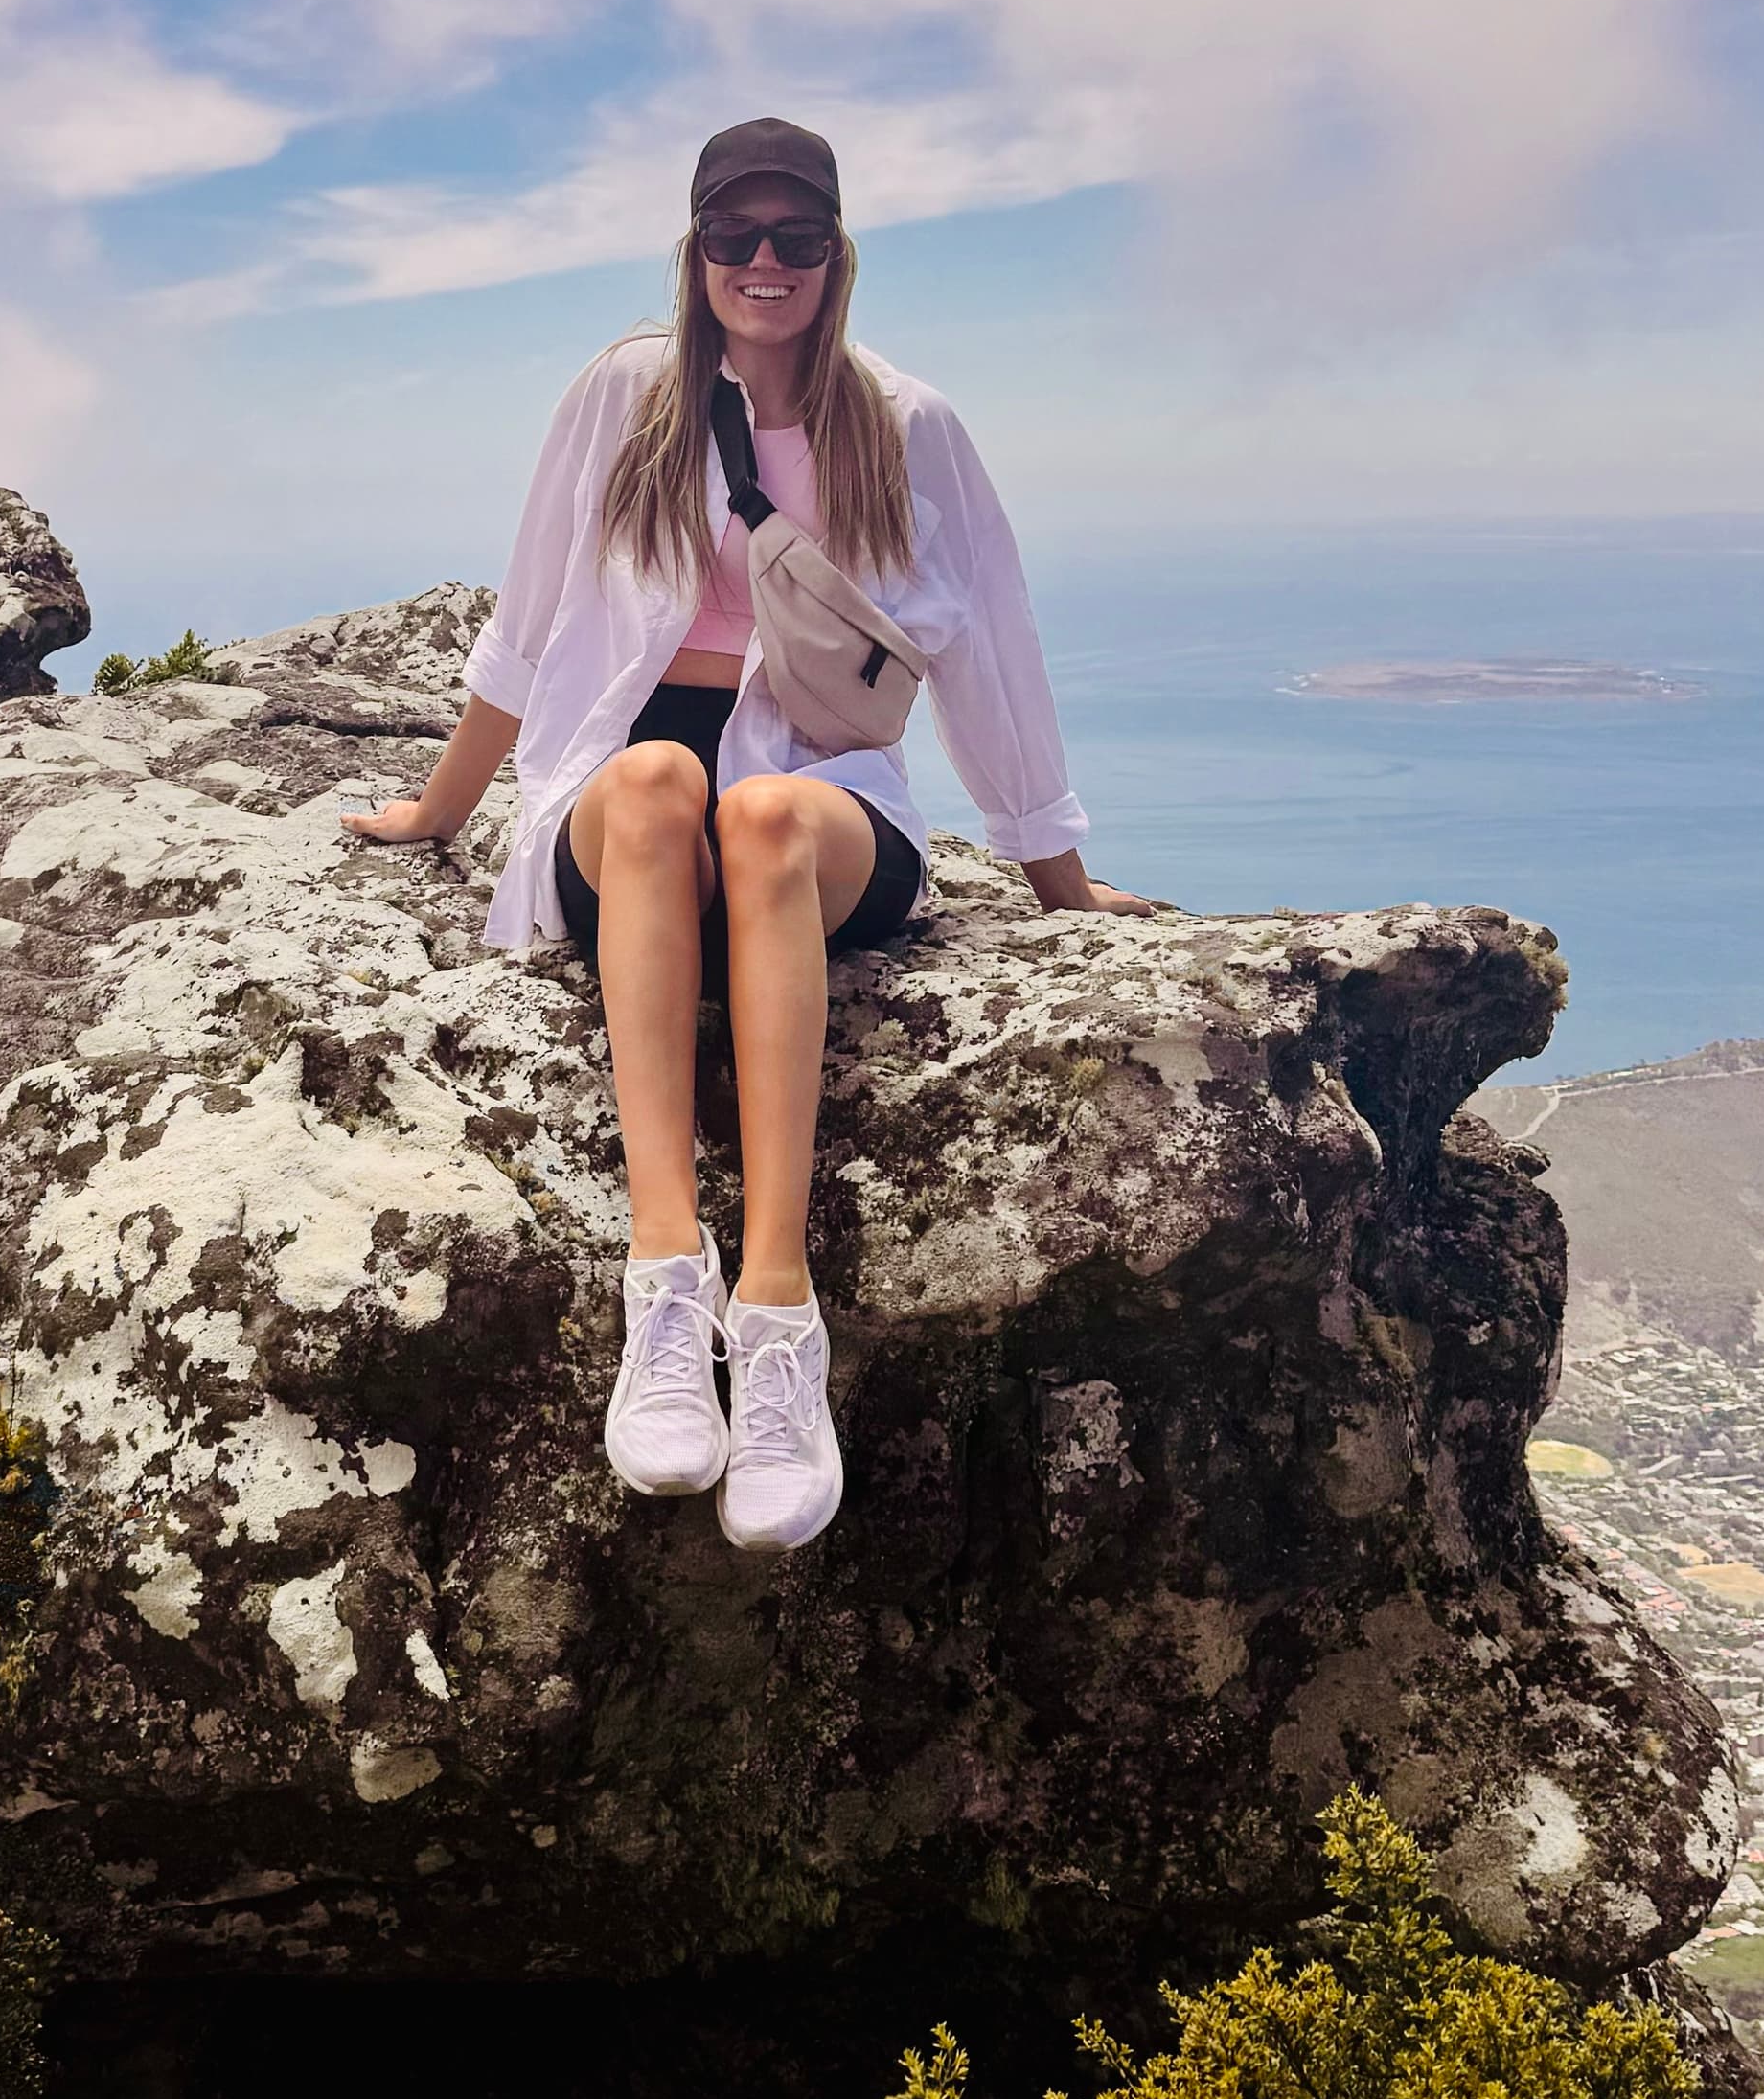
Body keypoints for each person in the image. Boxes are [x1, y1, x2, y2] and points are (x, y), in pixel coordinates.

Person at [345, 115, 1161, 1554]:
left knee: (763, 812)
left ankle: (777, 1315)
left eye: (794, 237)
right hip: (632, 792)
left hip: (823, 800)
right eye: (736, 236)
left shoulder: (908, 429)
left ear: (836, 256)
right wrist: (439, 813)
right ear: (697, 253)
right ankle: (666, 1278)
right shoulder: (626, 398)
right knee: (663, 780)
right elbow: (529, 628)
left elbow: (994, 659)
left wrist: (1061, 883)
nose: (764, 262)